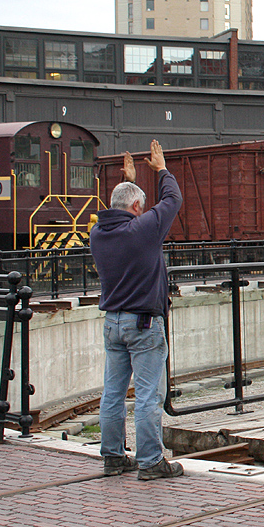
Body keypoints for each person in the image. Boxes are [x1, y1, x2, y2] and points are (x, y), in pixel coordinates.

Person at [91, 141, 184, 481]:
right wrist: (161, 170)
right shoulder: (142, 230)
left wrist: (128, 181)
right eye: (140, 207)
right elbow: (172, 200)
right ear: (135, 207)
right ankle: (150, 462)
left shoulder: (97, 234)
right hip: (143, 324)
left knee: (113, 393)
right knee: (148, 394)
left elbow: (117, 211)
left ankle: (113, 457)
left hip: (112, 322)